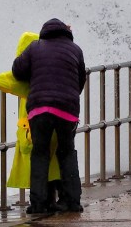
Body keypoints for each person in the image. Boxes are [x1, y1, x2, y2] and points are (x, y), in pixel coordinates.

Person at [0, 31, 65, 203]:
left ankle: (41, 204)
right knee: (54, 165)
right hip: (57, 123)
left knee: (38, 167)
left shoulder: (26, 77)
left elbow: (6, 79)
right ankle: (59, 201)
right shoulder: (51, 69)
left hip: (32, 129)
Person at [11, 18, 86, 214]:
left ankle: (38, 204)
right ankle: (72, 202)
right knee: (67, 152)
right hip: (67, 109)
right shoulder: (75, 49)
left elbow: (17, 71)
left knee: (40, 153)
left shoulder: (35, 47)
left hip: (40, 108)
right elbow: (81, 79)